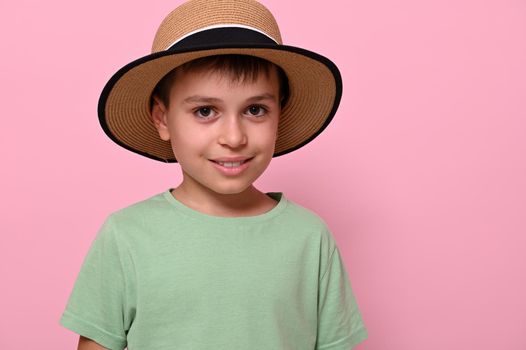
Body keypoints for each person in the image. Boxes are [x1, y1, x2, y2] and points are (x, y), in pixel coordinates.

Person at [59, 0, 368, 349]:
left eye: (255, 110)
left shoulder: (311, 239)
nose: (233, 138)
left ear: (279, 115)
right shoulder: (126, 236)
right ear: (162, 119)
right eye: (205, 111)